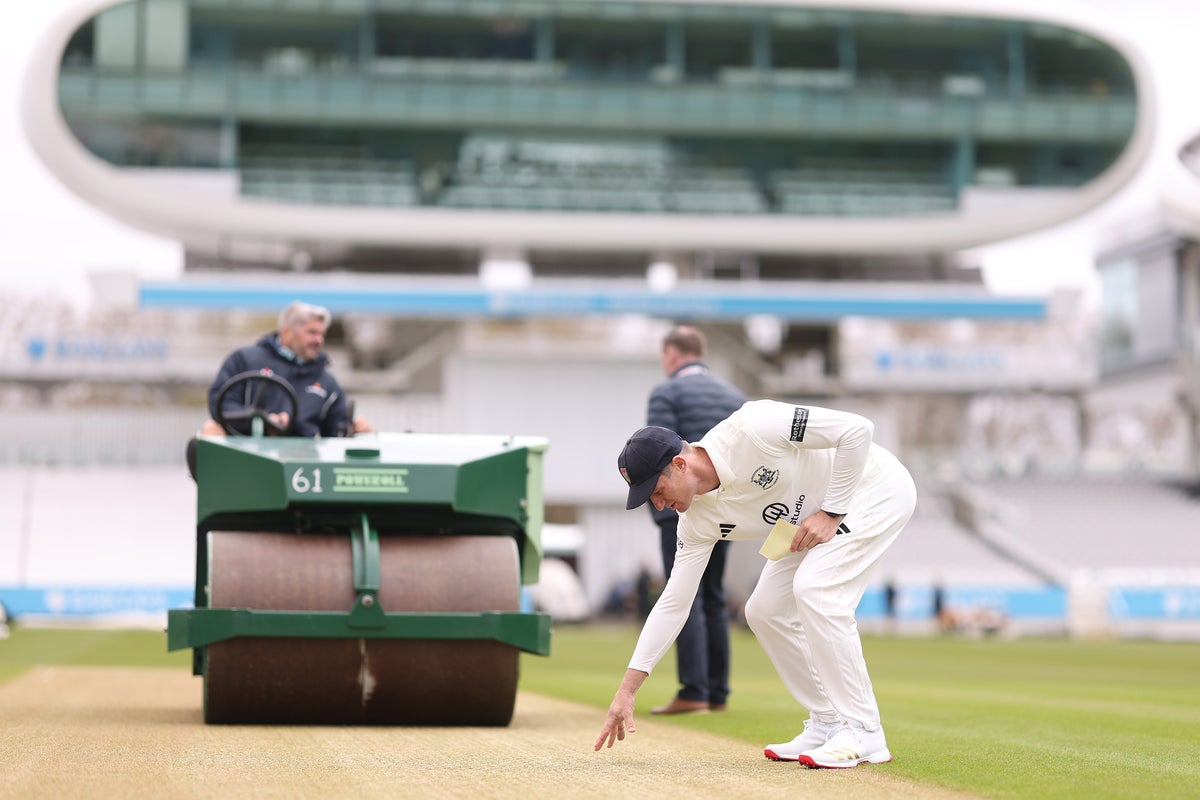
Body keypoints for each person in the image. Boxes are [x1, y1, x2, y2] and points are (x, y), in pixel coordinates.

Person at [596, 400, 917, 769]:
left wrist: (832, 511)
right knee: (763, 611)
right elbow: (674, 603)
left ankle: (865, 731)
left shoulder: (755, 427)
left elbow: (857, 430)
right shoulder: (695, 521)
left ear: (680, 464)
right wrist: (626, 691)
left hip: (873, 490)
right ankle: (828, 721)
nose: (657, 504)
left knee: (815, 589)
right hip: (804, 523)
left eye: (656, 489)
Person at [643, 325, 746, 715]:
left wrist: (660, 512)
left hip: (682, 508)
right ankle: (717, 691)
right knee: (715, 596)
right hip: (728, 507)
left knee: (685, 594)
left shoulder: (666, 392)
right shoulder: (734, 396)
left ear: (671, 354)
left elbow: (656, 452)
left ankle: (693, 690)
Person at [199, 300, 371, 437]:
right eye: (312, 333)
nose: (319, 340)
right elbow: (221, 404)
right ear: (287, 333)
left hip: (302, 459)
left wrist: (353, 429)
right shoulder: (245, 360)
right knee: (211, 429)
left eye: (321, 334)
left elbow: (335, 430)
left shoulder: (326, 382)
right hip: (247, 447)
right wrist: (262, 420)